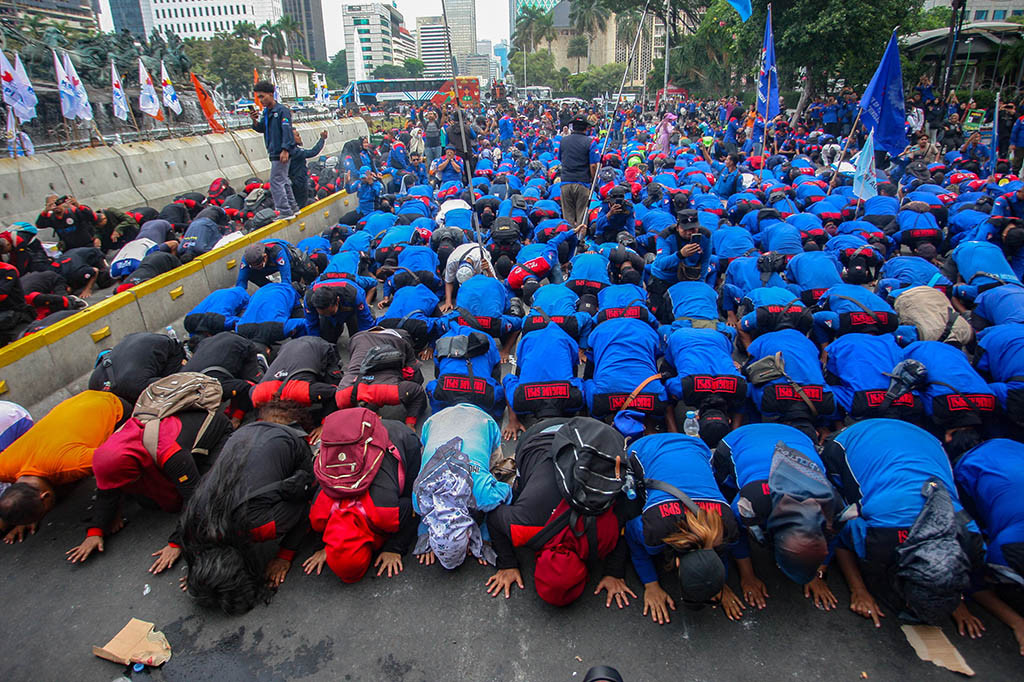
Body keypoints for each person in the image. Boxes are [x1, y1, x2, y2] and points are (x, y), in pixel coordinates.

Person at [820, 419, 987, 632]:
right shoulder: (881, 535)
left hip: (926, 440)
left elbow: (951, 576)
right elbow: (843, 540)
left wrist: (952, 601)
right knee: (837, 510)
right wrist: (859, 590)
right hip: (856, 440)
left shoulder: (971, 540)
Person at [65, 402, 233, 571]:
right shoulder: (112, 452)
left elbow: (195, 499)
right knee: (147, 501)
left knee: (214, 492)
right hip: (179, 449)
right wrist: (96, 530)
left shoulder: (168, 452)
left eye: (128, 480)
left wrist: (177, 542)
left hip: (214, 436)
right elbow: (107, 490)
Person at [485, 419, 631, 606]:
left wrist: (613, 573)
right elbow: (495, 518)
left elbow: (622, 526)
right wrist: (507, 565)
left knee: (523, 490)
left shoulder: (600, 539)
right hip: (544, 437)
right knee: (521, 490)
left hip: (592, 439)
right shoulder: (524, 530)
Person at [179, 416, 316, 615]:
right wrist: (202, 574)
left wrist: (285, 555)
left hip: (287, 440)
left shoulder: (256, 525)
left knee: (310, 489)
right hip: (244, 433)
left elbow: (303, 508)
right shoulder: (194, 522)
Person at [713, 424, 839, 609]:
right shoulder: (750, 503)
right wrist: (748, 576)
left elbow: (834, 536)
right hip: (738, 440)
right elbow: (735, 532)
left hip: (796, 436)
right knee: (723, 491)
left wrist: (817, 573)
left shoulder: (833, 507)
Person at [626, 433, 745, 624]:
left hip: (697, 445)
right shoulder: (655, 530)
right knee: (628, 504)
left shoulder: (726, 525)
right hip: (643, 447)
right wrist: (651, 584)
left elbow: (723, 552)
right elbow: (631, 534)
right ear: (677, 564)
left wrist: (717, 582)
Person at [301, 408, 422, 582]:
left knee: (414, 492)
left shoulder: (384, 515)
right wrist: (325, 546)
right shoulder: (319, 515)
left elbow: (410, 509)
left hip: (396, 435)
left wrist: (394, 548)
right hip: (355, 436)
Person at [0, 391, 128, 543]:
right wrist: (22, 515)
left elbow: (115, 464)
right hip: (77, 402)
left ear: (45, 496)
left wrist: (102, 523)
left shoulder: (71, 463)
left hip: (112, 405)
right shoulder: (4, 466)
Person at [412, 404, 512, 569]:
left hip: (482, 420)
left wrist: (486, 535)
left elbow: (506, 492)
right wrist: (425, 535)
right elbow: (426, 518)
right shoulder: (418, 498)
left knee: (493, 468)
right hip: (436, 422)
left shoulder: (481, 495)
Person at [250, 81, 300, 218]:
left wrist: (285, 149)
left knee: (276, 181)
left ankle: (285, 210)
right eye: (258, 98)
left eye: (262, 97)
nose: (261, 101)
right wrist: (254, 121)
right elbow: (262, 128)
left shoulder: (281, 111)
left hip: (280, 151)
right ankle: (293, 207)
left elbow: (287, 131)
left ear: (271, 94)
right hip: (273, 150)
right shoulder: (267, 112)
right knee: (283, 180)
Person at [560, 115, 599, 230]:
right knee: (582, 215)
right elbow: (593, 165)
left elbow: (561, 159)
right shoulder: (590, 142)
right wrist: (593, 181)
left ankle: (569, 241)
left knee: (568, 216)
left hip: (566, 182)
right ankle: (580, 242)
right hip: (583, 182)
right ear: (586, 128)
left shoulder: (563, 141)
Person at [289, 129, 328, 209]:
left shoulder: (288, 151)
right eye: (297, 135)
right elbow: (313, 152)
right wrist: (322, 139)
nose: (300, 138)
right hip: (299, 183)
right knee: (301, 205)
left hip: (294, 182)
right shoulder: (296, 152)